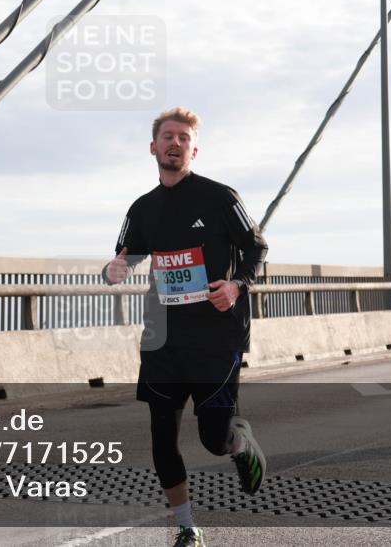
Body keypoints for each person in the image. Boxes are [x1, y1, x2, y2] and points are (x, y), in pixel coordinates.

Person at [102, 107, 268, 547]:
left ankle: (239, 441)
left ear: (195, 149)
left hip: (216, 336)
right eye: (167, 137)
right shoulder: (143, 208)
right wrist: (114, 269)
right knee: (162, 435)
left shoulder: (219, 198)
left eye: (183, 138)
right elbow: (122, 257)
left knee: (214, 438)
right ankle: (187, 527)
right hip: (163, 339)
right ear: (153, 147)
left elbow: (257, 249)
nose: (174, 144)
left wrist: (236, 285)